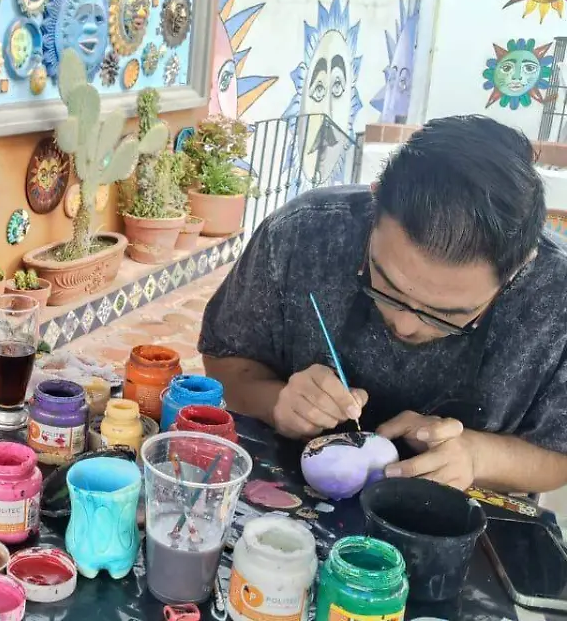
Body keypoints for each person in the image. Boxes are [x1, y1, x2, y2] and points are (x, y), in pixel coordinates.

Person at [201, 115, 567, 493]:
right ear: (374, 201)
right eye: (387, 287)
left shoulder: (557, 299)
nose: (406, 325)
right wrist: (276, 403)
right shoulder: (300, 235)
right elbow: (224, 357)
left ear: (520, 267)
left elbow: (559, 453)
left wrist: (476, 456)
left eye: (445, 315)